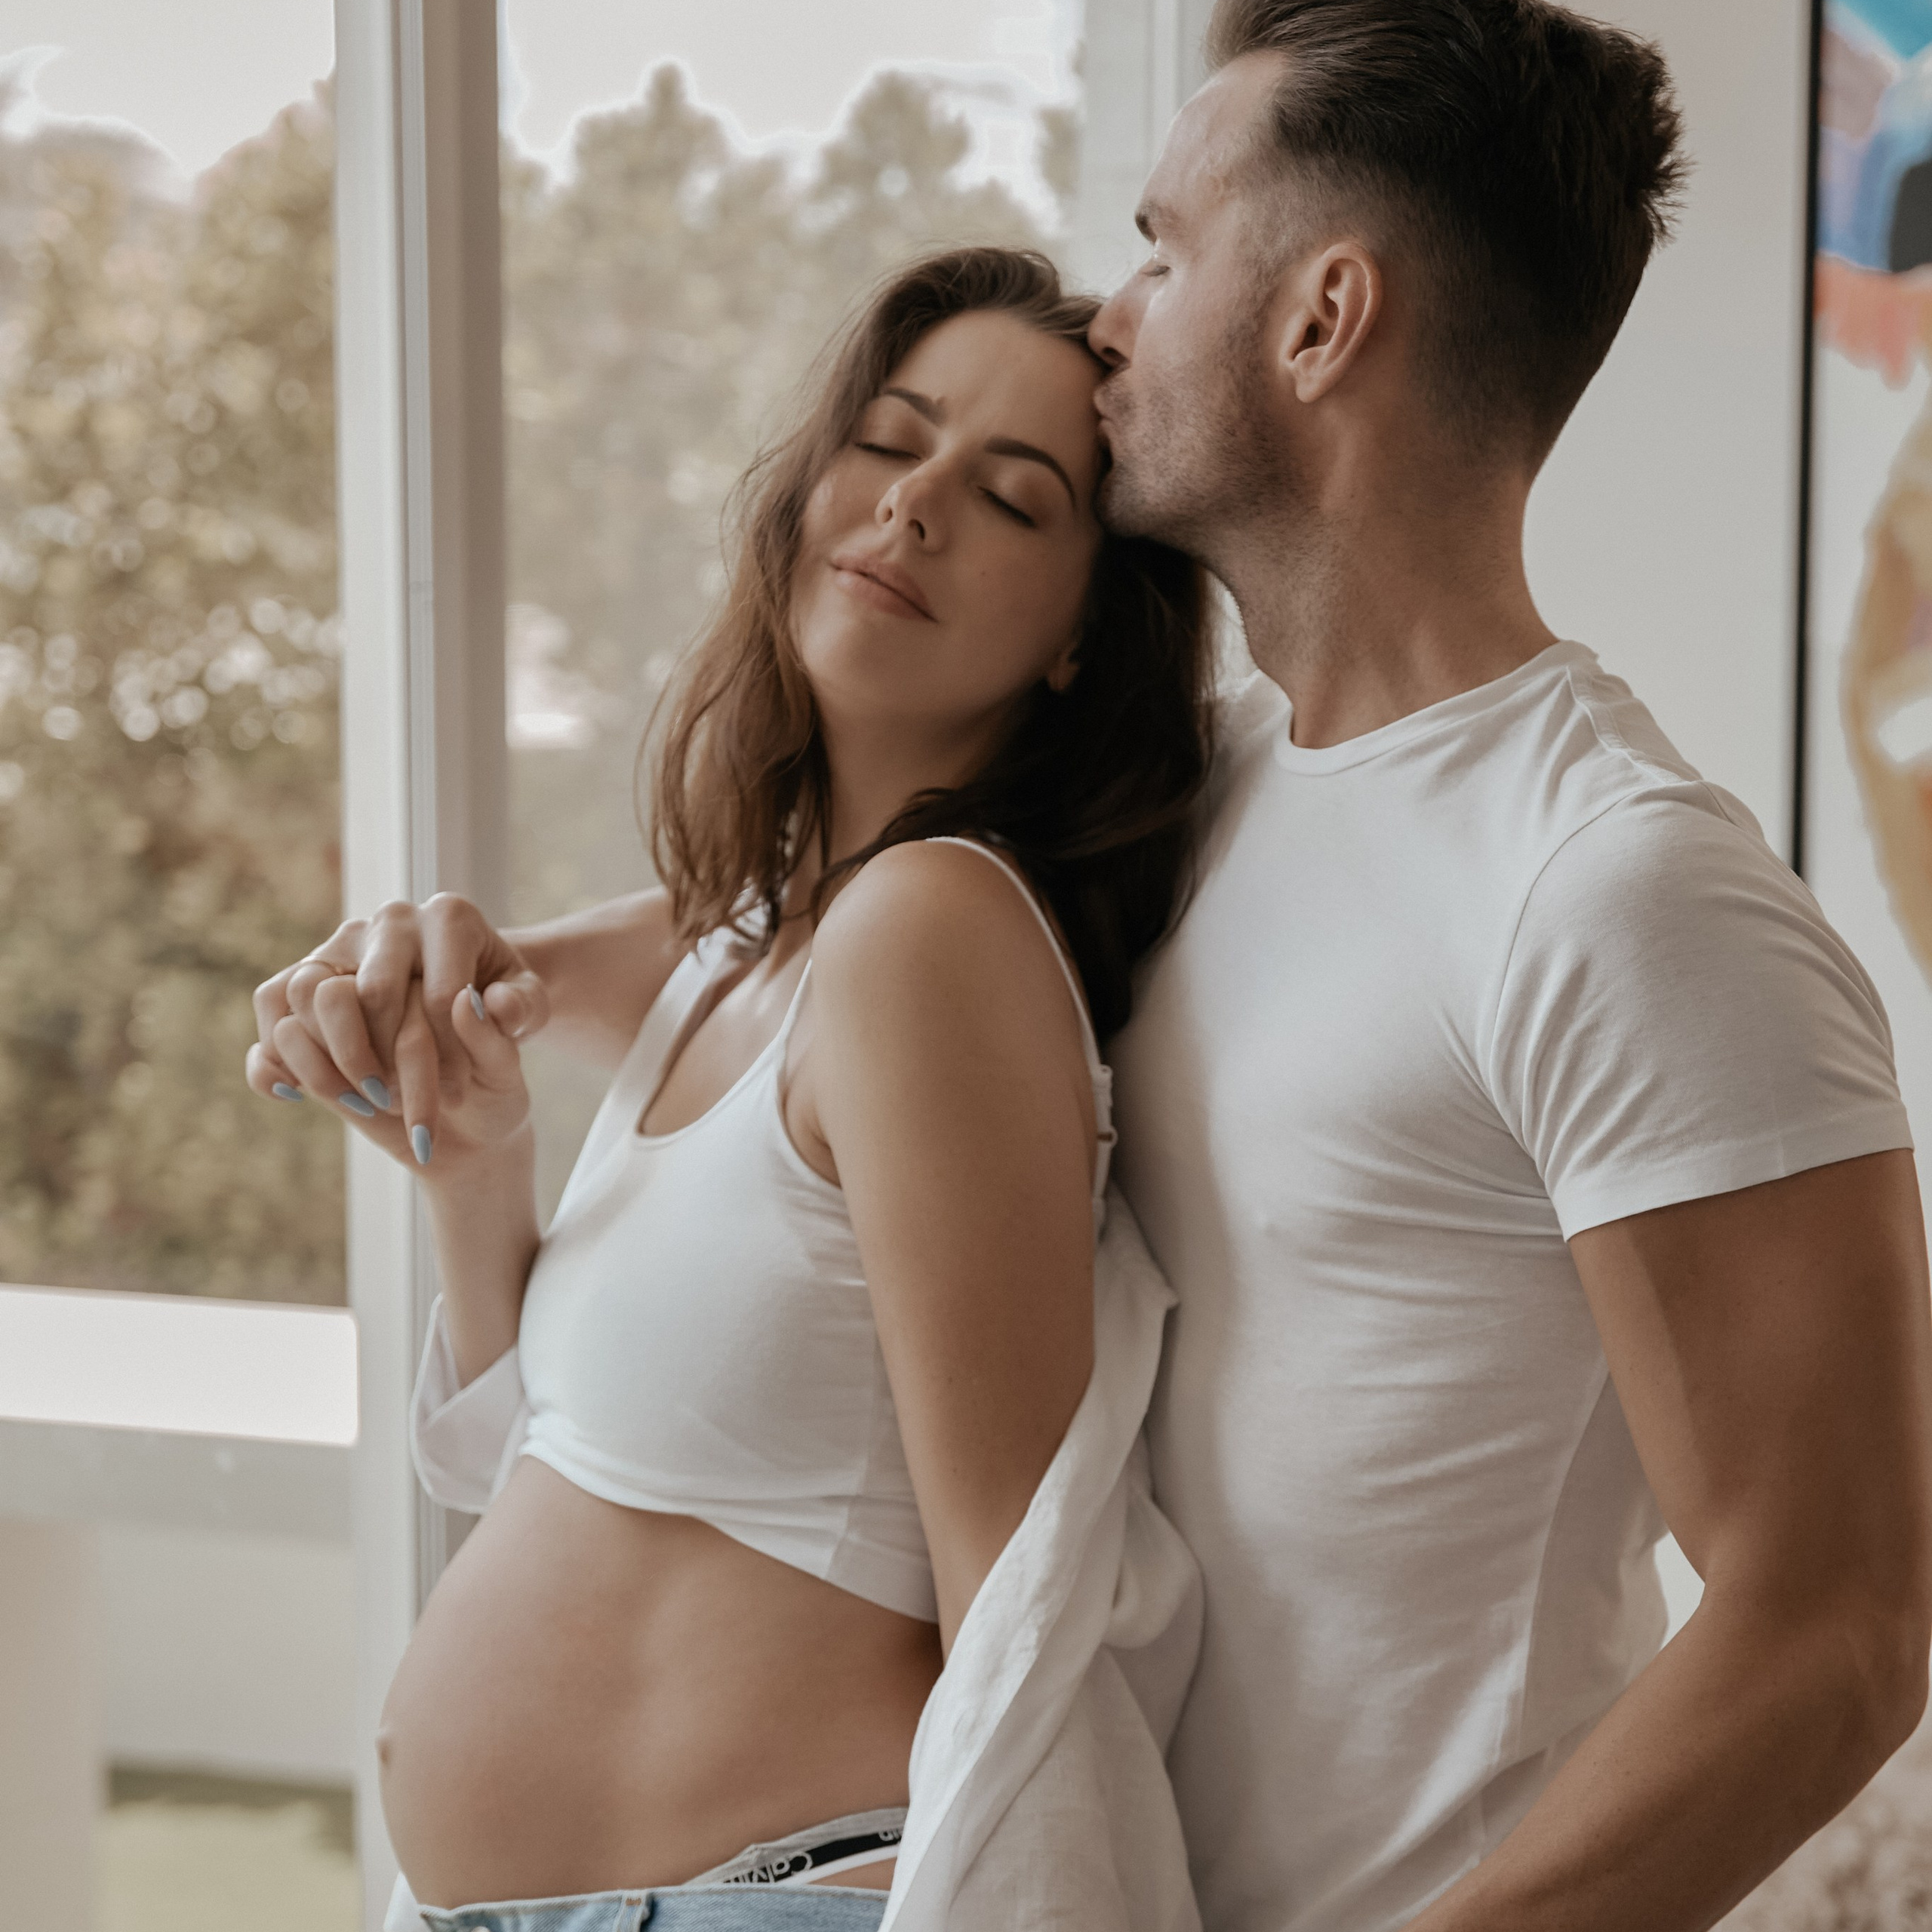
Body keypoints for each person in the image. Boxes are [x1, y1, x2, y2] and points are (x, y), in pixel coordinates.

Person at [263, 5, 1932, 1929]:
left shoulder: (1616, 887)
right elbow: (797, 944)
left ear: (1318, 321)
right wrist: (466, 966)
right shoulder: (1216, 792)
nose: (1114, 318)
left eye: (1163, 244)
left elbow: (1841, 1626)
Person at [250, 248, 1215, 1930]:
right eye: (888, 438)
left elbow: (1021, 1576)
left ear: (1079, 637)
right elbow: (556, 1467)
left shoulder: (929, 934)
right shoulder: (744, 939)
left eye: (1008, 497)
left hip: (762, 1896)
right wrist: (472, 1164)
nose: (911, 508)